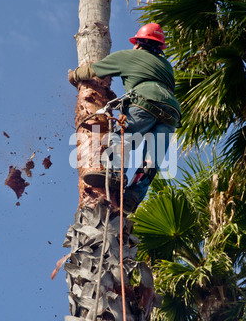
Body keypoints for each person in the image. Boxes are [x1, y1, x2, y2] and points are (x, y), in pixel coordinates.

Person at [68, 23, 181, 214]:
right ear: (159, 47)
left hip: (145, 103)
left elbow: (93, 70)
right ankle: (133, 196)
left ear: (137, 43)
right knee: (151, 160)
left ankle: (115, 173)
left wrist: (73, 76)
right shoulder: (166, 66)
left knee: (122, 138)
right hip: (172, 113)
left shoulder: (128, 56)